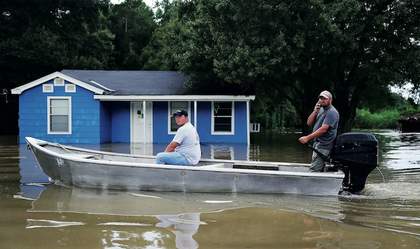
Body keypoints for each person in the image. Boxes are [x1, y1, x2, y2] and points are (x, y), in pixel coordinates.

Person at [298, 90, 340, 171]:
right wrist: (315, 111)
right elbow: (309, 123)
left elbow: (324, 129)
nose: (322, 100)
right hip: (317, 144)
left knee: (314, 170)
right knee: (319, 168)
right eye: (320, 98)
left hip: (324, 146)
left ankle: (310, 183)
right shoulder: (320, 109)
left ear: (330, 100)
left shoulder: (332, 112)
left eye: (325, 98)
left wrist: (307, 138)